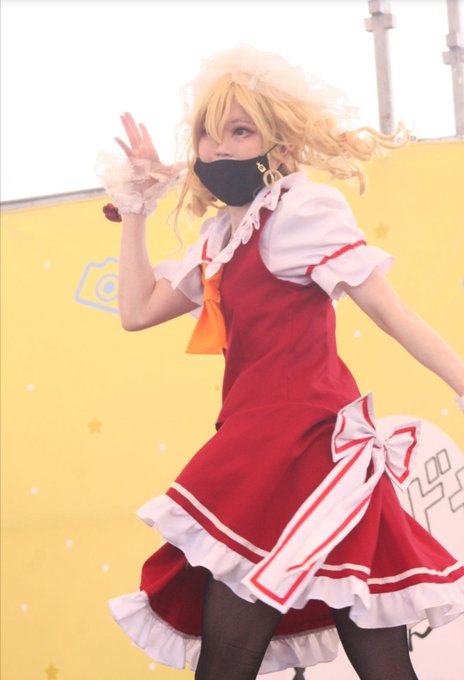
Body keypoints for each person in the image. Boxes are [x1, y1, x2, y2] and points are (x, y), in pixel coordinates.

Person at [96, 45, 464, 680]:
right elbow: (136, 310)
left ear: (279, 145)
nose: (219, 147)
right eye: (208, 133)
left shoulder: (301, 211)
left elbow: (392, 313)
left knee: (236, 664)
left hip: (308, 452)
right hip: (260, 448)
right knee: (310, 662)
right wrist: (136, 206)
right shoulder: (220, 238)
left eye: (241, 131)